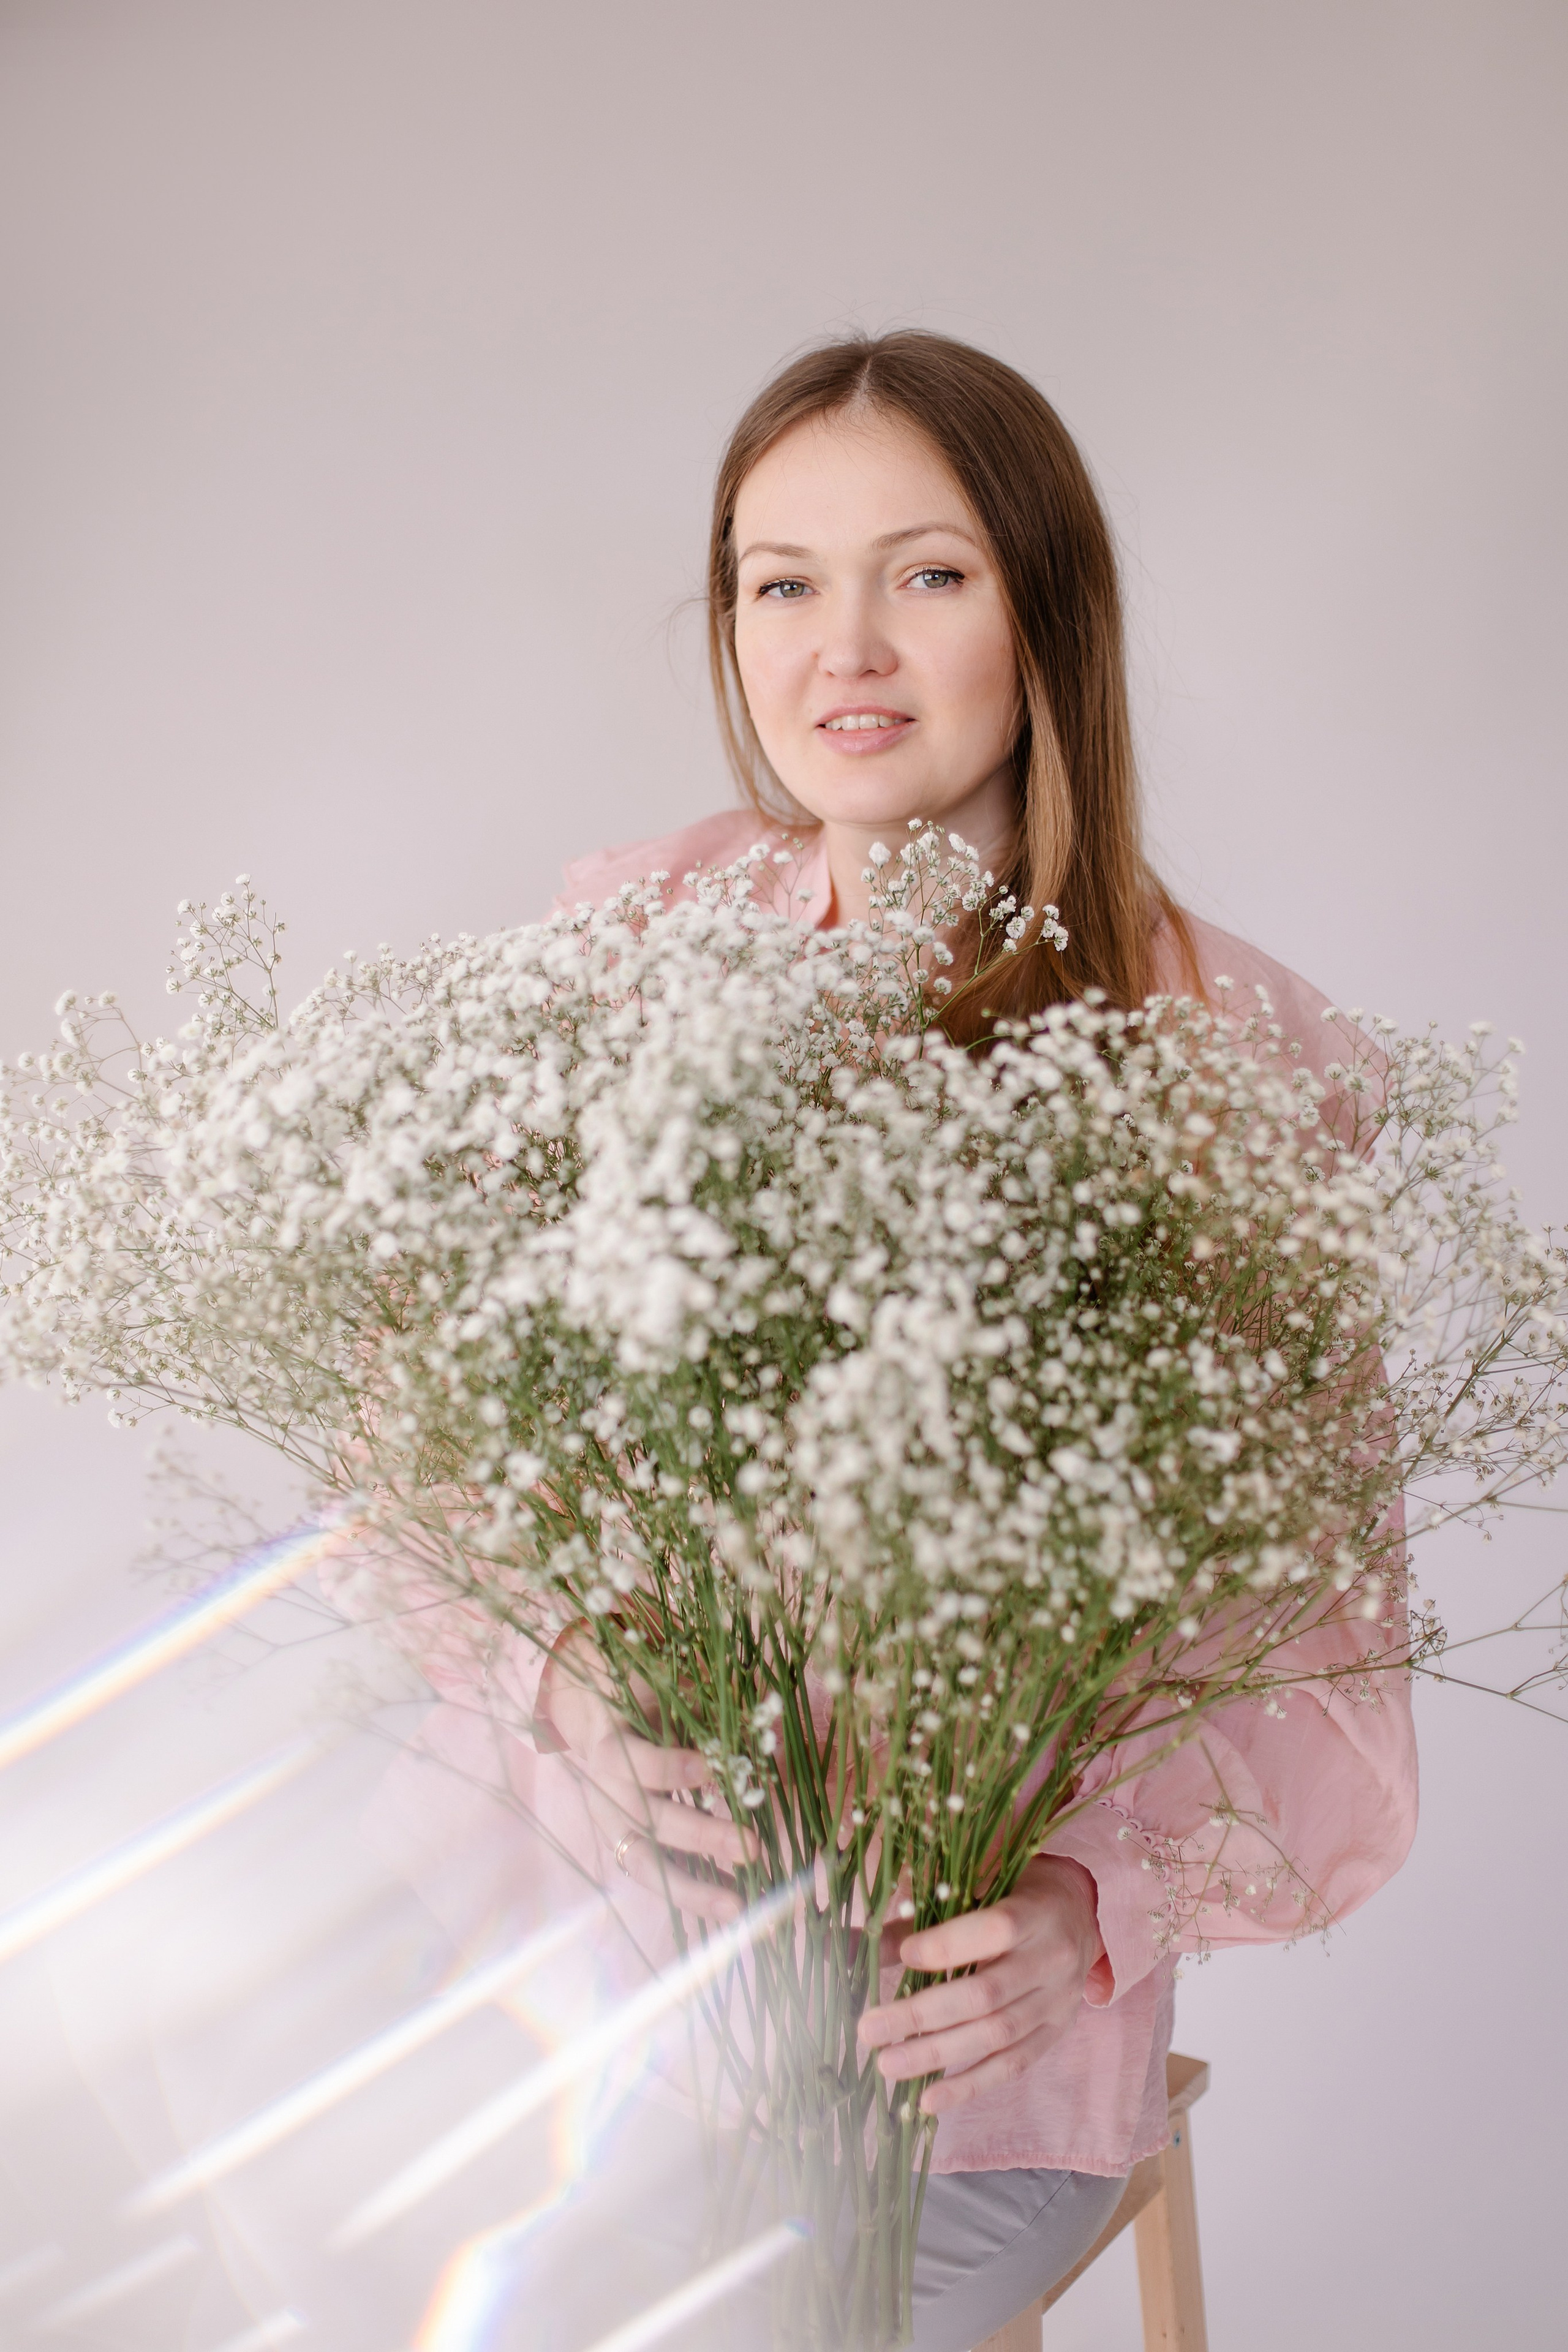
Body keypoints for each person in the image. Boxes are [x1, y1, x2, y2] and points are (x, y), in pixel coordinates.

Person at [368, 333, 1418, 2351]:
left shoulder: (1226, 1065)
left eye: (926, 574)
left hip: (964, 2094)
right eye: (782, 580)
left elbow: (1321, 1654)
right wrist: (573, 1683)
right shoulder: (636, 949)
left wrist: (1086, 1911)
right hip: (599, 2000)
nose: (843, 645)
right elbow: (428, 1444)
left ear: (1045, 616)